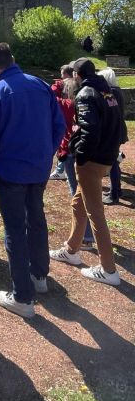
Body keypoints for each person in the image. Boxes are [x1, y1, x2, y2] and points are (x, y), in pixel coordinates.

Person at [0, 43, 66, 318]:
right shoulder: (40, 86)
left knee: (15, 229)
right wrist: (46, 154)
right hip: (37, 169)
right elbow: (59, 125)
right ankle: (39, 276)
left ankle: (23, 297)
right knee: (36, 219)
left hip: (10, 172)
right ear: (13, 59)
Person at [50, 58, 122, 286]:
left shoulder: (85, 94)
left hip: (92, 160)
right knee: (78, 203)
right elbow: (118, 125)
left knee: (95, 214)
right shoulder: (107, 91)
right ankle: (71, 250)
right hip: (106, 157)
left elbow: (89, 131)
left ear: (76, 75)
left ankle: (108, 270)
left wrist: (80, 157)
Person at [53, 78, 95, 250]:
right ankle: (87, 235)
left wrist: (60, 82)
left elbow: (51, 94)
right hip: (87, 152)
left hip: (71, 152)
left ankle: (85, 236)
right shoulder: (88, 103)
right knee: (86, 193)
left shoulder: (66, 104)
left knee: (77, 195)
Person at [98, 68, 128, 205]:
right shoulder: (116, 90)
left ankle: (114, 194)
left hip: (114, 130)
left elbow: (109, 112)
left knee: (112, 162)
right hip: (118, 129)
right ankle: (117, 190)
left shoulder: (110, 92)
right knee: (113, 160)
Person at [49, 65, 75, 180]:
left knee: (64, 145)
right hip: (75, 131)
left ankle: (60, 170)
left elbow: (51, 96)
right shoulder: (79, 97)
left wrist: (58, 85)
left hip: (67, 131)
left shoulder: (66, 104)